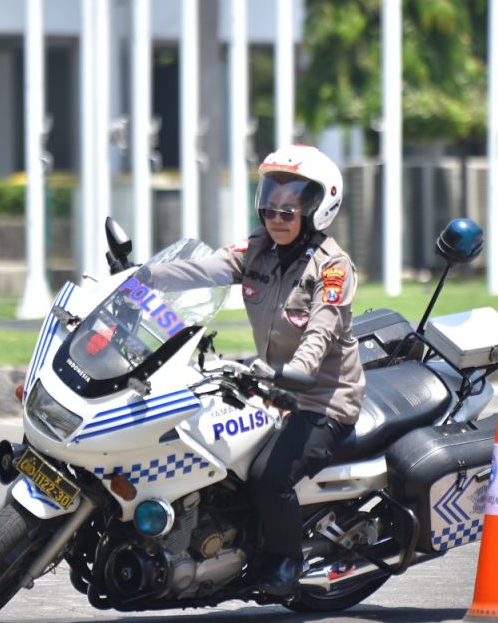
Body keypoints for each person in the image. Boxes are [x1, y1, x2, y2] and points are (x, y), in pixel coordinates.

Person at [147, 144, 365, 597]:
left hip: (321, 399)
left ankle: (285, 560)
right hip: (271, 389)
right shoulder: (258, 250)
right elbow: (203, 270)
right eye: (270, 201)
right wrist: (144, 276)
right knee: (211, 452)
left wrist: (296, 371)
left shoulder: (333, 267)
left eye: (292, 206)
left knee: (270, 476)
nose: (277, 215)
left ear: (319, 207)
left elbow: (321, 331)